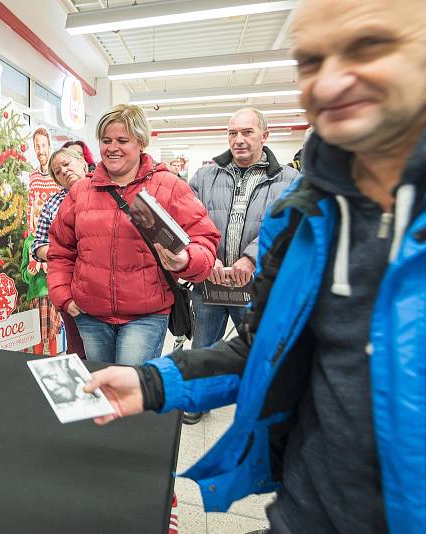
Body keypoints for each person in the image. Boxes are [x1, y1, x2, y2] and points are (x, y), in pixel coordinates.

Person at [85, 0, 426, 532]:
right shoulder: (305, 215)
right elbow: (263, 348)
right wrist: (152, 384)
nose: (331, 79)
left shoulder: (258, 193)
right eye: (311, 61)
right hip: (304, 509)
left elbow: (197, 236)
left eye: (368, 45)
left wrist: (199, 258)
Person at [47, 104, 219, 366]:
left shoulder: (169, 186)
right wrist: (63, 297)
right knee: (101, 390)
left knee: (131, 392)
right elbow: (61, 250)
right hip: (90, 315)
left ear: (141, 142)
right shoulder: (80, 192)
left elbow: (205, 241)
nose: (112, 147)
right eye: (106, 141)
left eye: (122, 140)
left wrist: (185, 260)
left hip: (146, 316)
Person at [183, 108, 298, 425]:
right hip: (210, 281)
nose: (239, 139)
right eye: (233, 133)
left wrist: (251, 257)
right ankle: (198, 399)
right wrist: (208, 256)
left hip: (256, 286)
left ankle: (259, 407)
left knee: (258, 348)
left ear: (265, 135)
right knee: (203, 345)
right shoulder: (205, 176)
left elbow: (288, 225)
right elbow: (189, 221)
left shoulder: (289, 180)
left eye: (247, 132)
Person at [30, 148, 90, 359]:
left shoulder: (105, 191)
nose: (64, 171)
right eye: (58, 171)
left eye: (67, 164)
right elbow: (38, 245)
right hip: (70, 288)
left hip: (105, 289)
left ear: (82, 163)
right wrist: (67, 254)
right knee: (79, 351)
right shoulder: (54, 204)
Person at [21, 196, 62, 355]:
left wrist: (48, 267)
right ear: (32, 218)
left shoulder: (53, 240)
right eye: (36, 215)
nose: (39, 219)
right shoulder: (28, 243)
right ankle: (37, 360)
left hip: (51, 294)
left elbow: (60, 265)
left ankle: (53, 359)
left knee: (52, 334)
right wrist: (30, 273)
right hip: (35, 295)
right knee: (37, 334)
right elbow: (24, 272)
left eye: (42, 216)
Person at [27, 128, 61, 233]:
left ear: (49, 146)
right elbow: (30, 208)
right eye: (37, 146)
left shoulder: (58, 173)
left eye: (43, 145)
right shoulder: (33, 176)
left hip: (56, 237)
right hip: (37, 237)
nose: (41, 151)